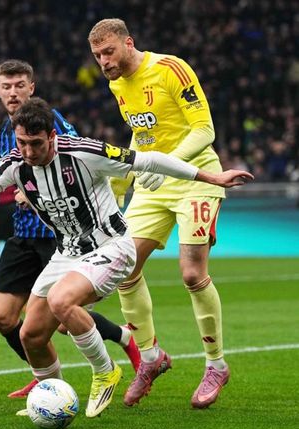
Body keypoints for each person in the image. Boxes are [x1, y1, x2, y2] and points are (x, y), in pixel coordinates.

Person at [0, 97, 251, 418]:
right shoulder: (14, 162)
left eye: (36, 143)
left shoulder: (85, 152)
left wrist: (211, 178)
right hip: (67, 253)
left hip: (111, 247)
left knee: (60, 300)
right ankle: (52, 399)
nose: (28, 151)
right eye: (22, 143)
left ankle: (105, 370)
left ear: (52, 136)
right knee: (31, 335)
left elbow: (150, 160)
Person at [88, 18, 233, 408]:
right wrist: (124, 178)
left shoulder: (171, 68)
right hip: (154, 183)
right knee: (125, 267)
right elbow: (142, 134)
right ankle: (150, 358)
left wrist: (167, 166)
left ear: (128, 43)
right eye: (97, 56)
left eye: (108, 52)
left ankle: (216, 365)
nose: (104, 62)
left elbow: (204, 130)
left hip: (198, 178)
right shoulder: (117, 83)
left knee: (192, 273)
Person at [0, 59, 140, 400]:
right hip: (23, 233)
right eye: (6, 86)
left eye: (19, 85)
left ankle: (124, 340)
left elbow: (74, 163)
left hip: (60, 236)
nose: (13, 92)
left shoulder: (54, 123)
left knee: (64, 316)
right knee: (3, 318)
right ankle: (46, 382)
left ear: (32, 87)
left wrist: (39, 190)